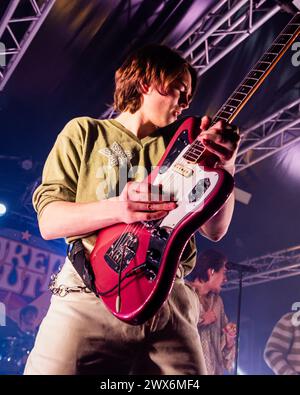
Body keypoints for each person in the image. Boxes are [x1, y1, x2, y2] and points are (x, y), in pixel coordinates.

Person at [24, 44, 240, 375]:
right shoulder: (85, 132)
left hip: (171, 302)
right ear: (145, 82)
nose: (184, 104)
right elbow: (50, 222)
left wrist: (227, 165)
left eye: (188, 98)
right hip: (91, 294)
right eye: (179, 91)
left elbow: (215, 230)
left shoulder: (184, 149)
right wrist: (118, 208)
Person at [188, 249, 236, 375]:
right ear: (211, 272)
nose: (225, 279)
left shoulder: (218, 302)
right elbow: (173, 331)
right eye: (223, 273)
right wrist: (202, 320)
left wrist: (229, 339)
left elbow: (226, 360)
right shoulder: (184, 293)